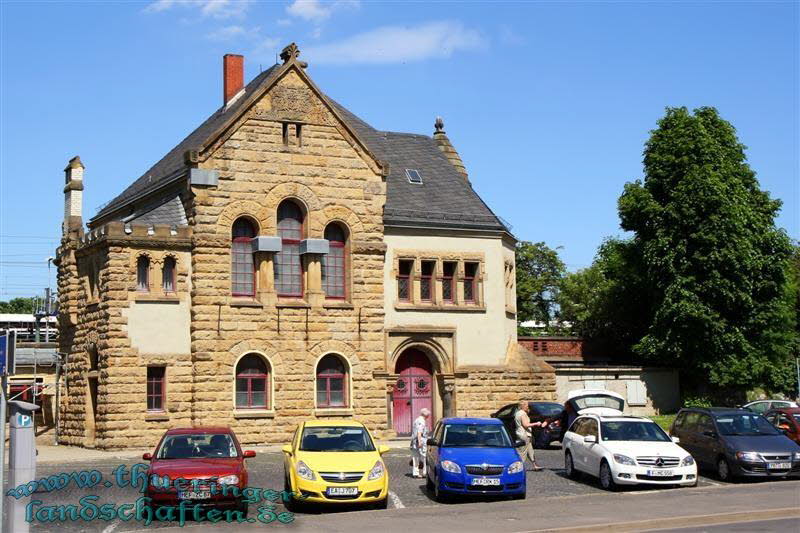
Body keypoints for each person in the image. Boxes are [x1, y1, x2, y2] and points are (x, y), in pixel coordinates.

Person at [515, 400, 547, 471]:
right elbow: (525, 425)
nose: (528, 407)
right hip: (524, 434)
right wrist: (536, 423)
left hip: (522, 433)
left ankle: (535, 465)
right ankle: (518, 468)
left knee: (530, 450)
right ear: (523, 406)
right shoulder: (523, 414)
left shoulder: (518, 413)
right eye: (527, 405)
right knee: (522, 452)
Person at [410, 408, 431, 478]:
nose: (428, 416)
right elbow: (419, 432)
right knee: (423, 457)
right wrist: (420, 443)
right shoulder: (422, 421)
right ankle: (424, 473)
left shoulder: (416, 420)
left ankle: (415, 473)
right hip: (420, 441)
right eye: (428, 415)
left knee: (415, 457)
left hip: (414, 441)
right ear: (426, 415)